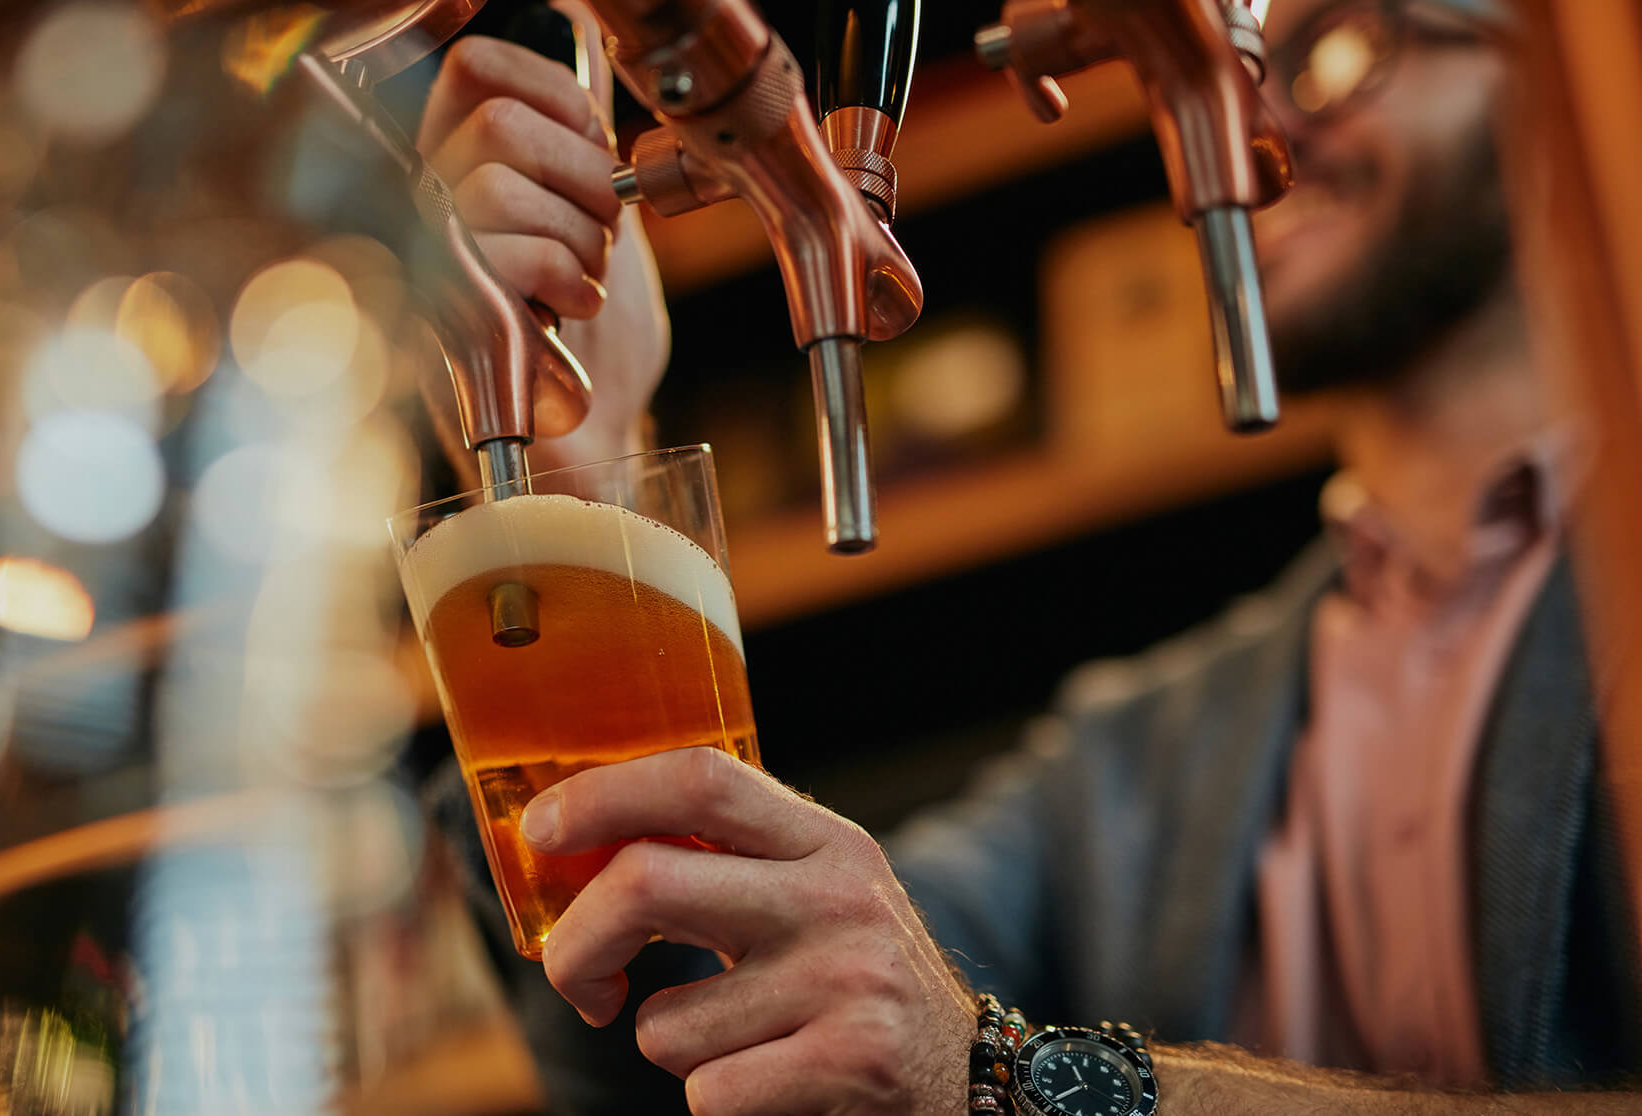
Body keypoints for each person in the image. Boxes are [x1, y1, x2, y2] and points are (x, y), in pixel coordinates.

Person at [417, 0, 1642, 1111]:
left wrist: (1009, 1079)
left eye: (1338, 51)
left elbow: (957, 1062)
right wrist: (581, 486)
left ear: (1564, 68)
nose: (1260, 125)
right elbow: (720, 1023)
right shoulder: (1148, 753)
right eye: (1240, 62)